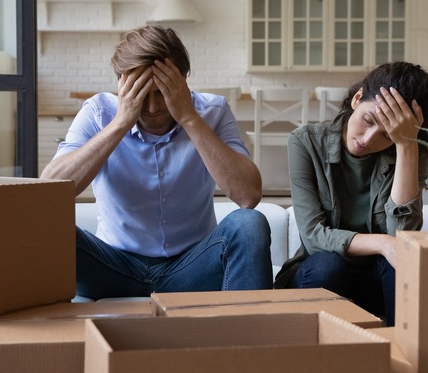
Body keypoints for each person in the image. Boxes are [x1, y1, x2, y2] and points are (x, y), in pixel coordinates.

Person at [41, 25, 272, 299]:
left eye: (162, 92)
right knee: (44, 227)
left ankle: (247, 339)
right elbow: (49, 190)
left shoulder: (213, 111)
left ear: (182, 81)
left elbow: (249, 196)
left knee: (249, 224)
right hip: (112, 267)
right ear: (122, 85)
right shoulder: (98, 113)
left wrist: (189, 118)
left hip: (190, 268)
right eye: (141, 94)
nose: (152, 108)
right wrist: (120, 123)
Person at [273, 62, 428, 326]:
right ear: (357, 98)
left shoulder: (407, 152)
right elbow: (314, 236)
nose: (368, 139)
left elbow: (402, 236)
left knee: (400, 265)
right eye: (368, 121)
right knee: (330, 265)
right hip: (319, 277)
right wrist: (382, 244)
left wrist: (406, 146)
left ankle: (402, 358)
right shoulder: (305, 142)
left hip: (374, 283)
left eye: (387, 135)